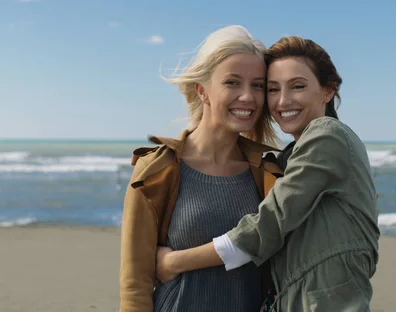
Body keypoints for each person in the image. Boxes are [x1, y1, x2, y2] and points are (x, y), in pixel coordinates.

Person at [155, 36, 380, 312]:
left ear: (327, 91)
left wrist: (174, 262)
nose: (283, 101)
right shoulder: (289, 156)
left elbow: (267, 226)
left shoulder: (327, 135)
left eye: (297, 86)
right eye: (272, 89)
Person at [119, 25, 283, 312]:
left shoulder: (270, 172)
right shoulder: (158, 169)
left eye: (257, 85)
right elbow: (135, 286)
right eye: (232, 82)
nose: (248, 97)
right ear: (202, 90)